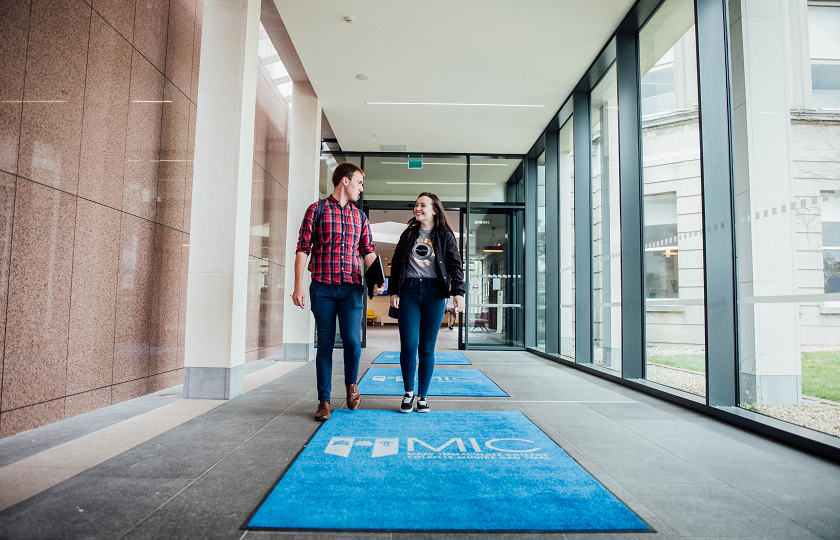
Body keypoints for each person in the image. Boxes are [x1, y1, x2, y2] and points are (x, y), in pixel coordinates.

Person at [291, 162, 384, 421]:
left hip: (352, 289)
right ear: (345, 181)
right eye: (359, 183)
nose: (361, 189)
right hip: (322, 287)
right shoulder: (316, 210)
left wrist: (376, 279)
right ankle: (324, 401)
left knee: (353, 342)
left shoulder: (360, 217)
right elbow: (302, 249)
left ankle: (351, 384)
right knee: (325, 345)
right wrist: (298, 285)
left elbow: (368, 251)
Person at [389, 193, 465, 413]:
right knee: (409, 345)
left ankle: (422, 396)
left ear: (434, 210)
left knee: (427, 348)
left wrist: (458, 292)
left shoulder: (445, 236)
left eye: (423, 205)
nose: (417, 208)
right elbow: (396, 264)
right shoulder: (408, 234)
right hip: (410, 292)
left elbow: (455, 266)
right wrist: (394, 291)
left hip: (435, 293)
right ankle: (408, 393)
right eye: (416, 205)